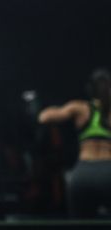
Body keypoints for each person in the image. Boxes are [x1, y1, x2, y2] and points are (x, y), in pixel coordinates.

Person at [38, 68, 111, 217]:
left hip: (83, 175)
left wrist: (57, 108)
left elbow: (43, 117)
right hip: (108, 172)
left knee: (80, 225)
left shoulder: (80, 108)